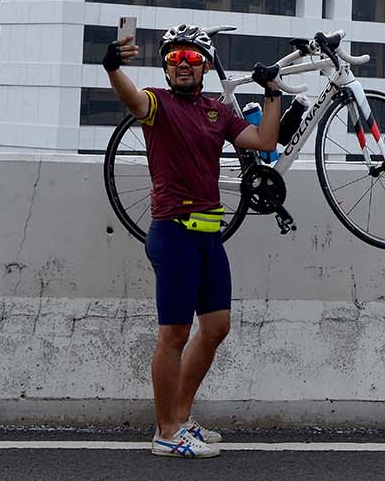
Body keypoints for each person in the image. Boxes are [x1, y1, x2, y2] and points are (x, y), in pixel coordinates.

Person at [103, 23, 283, 458]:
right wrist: (111, 67)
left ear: (205, 66)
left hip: (210, 235)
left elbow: (263, 140)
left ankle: (181, 417)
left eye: (192, 58)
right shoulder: (156, 104)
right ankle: (166, 433)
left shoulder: (216, 111)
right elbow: (130, 97)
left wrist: (274, 93)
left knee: (217, 326)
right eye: (174, 58)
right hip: (173, 232)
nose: (183, 65)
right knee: (175, 333)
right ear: (166, 67)